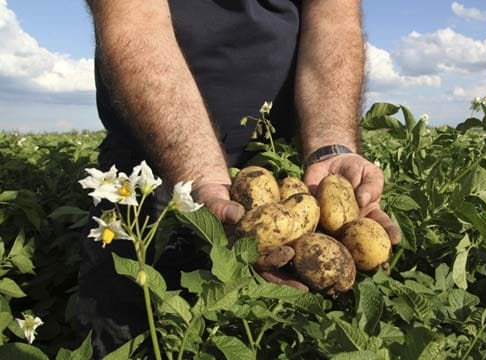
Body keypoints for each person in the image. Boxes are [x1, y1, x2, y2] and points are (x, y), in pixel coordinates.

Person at [79, 0, 401, 357]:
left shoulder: (297, 199)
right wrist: (199, 173)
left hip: (278, 167)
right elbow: (133, 18)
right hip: (148, 176)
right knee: (130, 332)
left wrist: (330, 146)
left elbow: (333, 16)